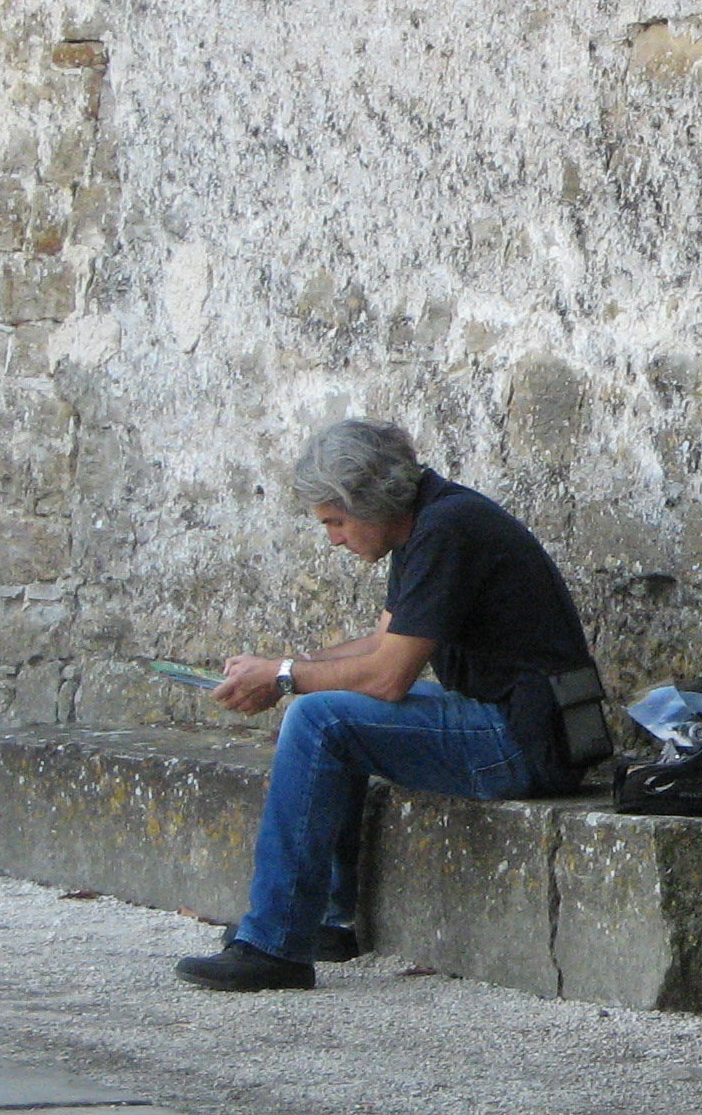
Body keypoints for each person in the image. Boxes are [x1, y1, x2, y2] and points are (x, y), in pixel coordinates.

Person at [175, 418, 598, 992]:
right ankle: (327, 920)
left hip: (523, 740)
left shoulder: (447, 529)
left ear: (371, 503)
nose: (333, 538)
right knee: (326, 701)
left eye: (337, 521)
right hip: (515, 724)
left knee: (318, 717)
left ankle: (275, 945)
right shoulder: (429, 521)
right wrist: (286, 667)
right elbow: (382, 645)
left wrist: (283, 678)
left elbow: (390, 677)